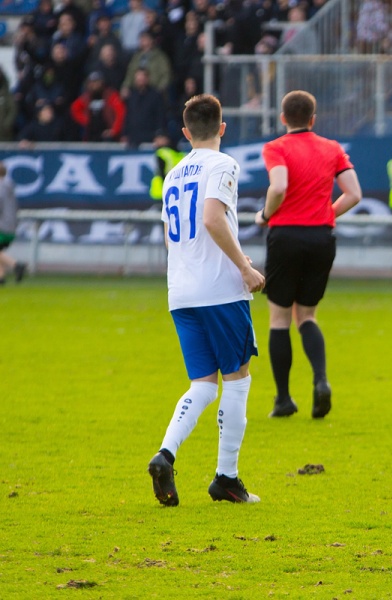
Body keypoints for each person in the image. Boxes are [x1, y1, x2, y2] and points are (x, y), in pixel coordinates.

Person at [147, 93, 266, 507]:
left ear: (185, 132)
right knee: (237, 379)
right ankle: (226, 477)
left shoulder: (173, 174)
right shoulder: (223, 164)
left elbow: (171, 238)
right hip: (219, 290)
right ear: (222, 127)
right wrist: (245, 268)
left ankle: (165, 454)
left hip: (181, 290)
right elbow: (213, 218)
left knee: (202, 384)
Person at [253, 90, 362, 419]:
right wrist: (325, 214)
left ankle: (284, 399)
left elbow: (278, 186)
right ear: (313, 119)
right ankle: (321, 380)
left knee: (280, 319)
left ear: (283, 118)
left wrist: (265, 215)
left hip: (285, 236)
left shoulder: (276, 147)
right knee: (307, 316)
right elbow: (354, 194)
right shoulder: (332, 148)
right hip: (320, 237)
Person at [69, 71, 126, 142]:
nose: (94, 85)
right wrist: (86, 120)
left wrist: (114, 130)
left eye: (96, 82)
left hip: (108, 136)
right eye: (92, 82)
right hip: (90, 135)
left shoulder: (110, 95)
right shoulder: (86, 97)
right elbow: (74, 108)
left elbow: (121, 113)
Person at [0, 162, 27, 285]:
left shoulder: (1, 187)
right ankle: (1, 277)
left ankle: (16, 265)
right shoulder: (9, 186)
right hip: (11, 225)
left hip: (2, 225)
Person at [149, 130, 185, 200]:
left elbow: (162, 172)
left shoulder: (161, 153)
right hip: (178, 187)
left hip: (162, 188)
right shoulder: (179, 153)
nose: (156, 141)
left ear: (165, 139)